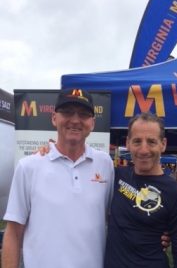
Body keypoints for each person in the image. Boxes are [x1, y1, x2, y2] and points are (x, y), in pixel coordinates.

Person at [1, 88, 115, 268]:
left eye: (83, 114)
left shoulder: (105, 164)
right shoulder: (28, 166)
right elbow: (13, 233)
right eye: (67, 112)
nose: (75, 120)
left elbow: (117, 219)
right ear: (54, 118)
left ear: (92, 123)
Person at [104, 112, 177, 268]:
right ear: (128, 143)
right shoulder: (115, 176)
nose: (143, 150)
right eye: (137, 141)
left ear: (163, 144)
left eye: (151, 142)